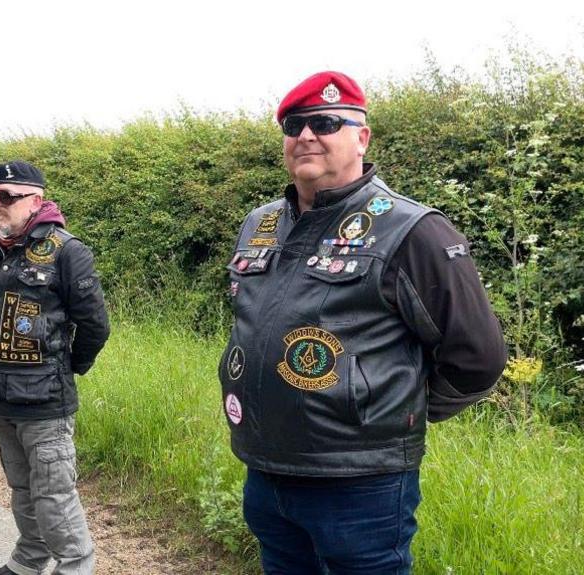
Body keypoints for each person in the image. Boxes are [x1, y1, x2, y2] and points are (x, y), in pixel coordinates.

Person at [219, 71, 507, 574]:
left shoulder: (412, 229)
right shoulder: (259, 224)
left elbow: (477, 356)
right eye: (294, 125)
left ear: (361, 136)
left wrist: (393, 411)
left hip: (359, 485)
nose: (306, 135)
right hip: (265, 469)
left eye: (326, 122)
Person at [0, 161, 110, 575]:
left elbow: (95, 326)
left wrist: (67, 368)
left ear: (35, 200)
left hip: (45, 400)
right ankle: (28, 561)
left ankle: (75, 566)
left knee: (54, 496)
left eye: (7, 196)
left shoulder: (67, 250)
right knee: (22, 491)